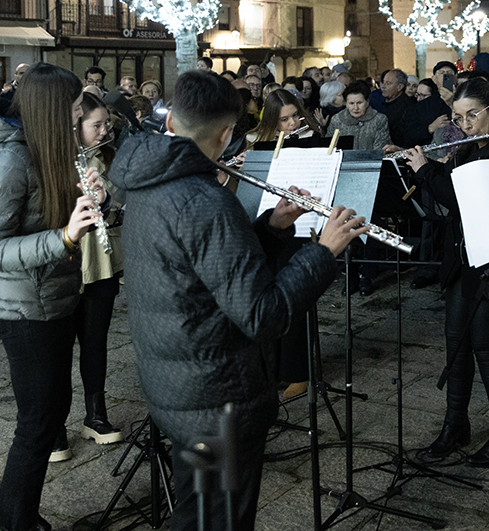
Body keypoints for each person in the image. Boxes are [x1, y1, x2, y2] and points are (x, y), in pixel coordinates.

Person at [109, 70, 367, 531]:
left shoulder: (148, 178)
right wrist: (322, 253)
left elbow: (207, 268)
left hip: (177, 380)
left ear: (172, 122)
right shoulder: (207, 200)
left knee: (200, 510)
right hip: (216, 394)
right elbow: (263, 315)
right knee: (214, 519)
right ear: (228, 133)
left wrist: (271, 227)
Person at [0, 63, 107, 531]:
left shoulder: (45, 147)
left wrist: (92, 203)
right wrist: (64, 236)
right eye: (72, 106)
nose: (77, 115)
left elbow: (44, 214)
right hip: (23, 308)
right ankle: (11, 522)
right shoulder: (6, 159)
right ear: (49, 108)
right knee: (37, 424)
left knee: (48, 415)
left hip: (52, 297)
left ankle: (18, 517)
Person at [405, 77, 489, 468]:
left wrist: (426, 171)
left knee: (487, 350)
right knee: (456, 346)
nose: (465, 123)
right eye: (458, 116)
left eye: (472, 115)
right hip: (461, 258)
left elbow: (464, 201)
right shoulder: (473, 144)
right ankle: (455, 425)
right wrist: (442, 164)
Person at [53, 92, 126, 460]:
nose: (103, 131)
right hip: (65, 261)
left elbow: (124, 199)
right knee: (58, 347)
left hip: (101, 263)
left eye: (105, 124)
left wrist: (107, 195)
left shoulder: (110, 156)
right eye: (95, 125)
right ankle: (54, 424)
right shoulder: (55, 157)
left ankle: (96, 415)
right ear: (75, 126)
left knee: (95, 340)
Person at [329, 82, 391, 152]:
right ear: (346, 104)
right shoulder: (337, 120)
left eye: (359, 103)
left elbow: (380, 149)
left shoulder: (379, 120)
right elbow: (329, 148)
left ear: (367, 102)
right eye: (351, 103)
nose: (356, 108)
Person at [246, 89, 320, 145]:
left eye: (295, 115)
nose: (293, 123)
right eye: (284, 119)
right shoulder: (254, 140)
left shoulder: (310, 136)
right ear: (272, 120)